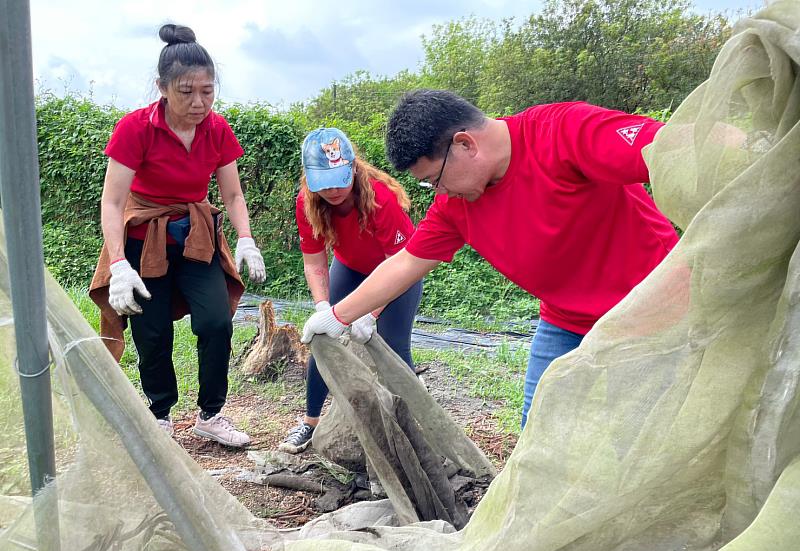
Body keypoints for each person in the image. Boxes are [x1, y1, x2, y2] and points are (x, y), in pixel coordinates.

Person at [302, 89, 679, 429]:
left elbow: (679, 150)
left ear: (465, 144)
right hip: (565, 321)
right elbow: (404, 263)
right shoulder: (455, 206)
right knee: (538, 432)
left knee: (639, 433)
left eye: (435, 179)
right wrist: (335, 316)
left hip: (649, 311)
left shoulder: (564, 132)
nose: (439, 191)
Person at [89, 24, 266, 447]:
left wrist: (245, 239)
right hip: (143, 239)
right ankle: (161, 414)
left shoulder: (217, 129)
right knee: (151, 332)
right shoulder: (136, 128)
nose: (199, 102)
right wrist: (118, 264)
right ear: (163, 88)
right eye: (186, 91)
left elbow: (234, 193)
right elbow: (112, 203)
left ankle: (211, 413)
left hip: (195, 237)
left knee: (216, 320)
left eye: (207, 91)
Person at [279, 127, 422, 453]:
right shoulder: (308, 202)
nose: (331, 189)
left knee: (393, 345)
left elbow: (399, 265)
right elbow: (315, 263)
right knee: (322, 338)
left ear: (353, 168)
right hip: (351, 268)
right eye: (323, 182)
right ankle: (311, 422)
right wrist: (322, 308)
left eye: (339, 179)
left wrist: (370, 314)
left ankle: (413, 423)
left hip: (398, 272)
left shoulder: (381, 197)